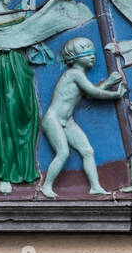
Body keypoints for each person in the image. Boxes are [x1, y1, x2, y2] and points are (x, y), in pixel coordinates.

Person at [0, 0, 91, 195]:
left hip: (16, 73)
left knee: (12, 121)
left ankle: (5, 175)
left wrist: (54, 2)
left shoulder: (23, 16)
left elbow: (44, 21)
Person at [40, 37, 127, 199]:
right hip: (53, 120)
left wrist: (108, 83)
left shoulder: (79, 76)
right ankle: (46, 186)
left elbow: (88, 94)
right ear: (74, 58)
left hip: (67, 121)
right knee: (63, 153)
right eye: (87, 54)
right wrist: (116, 94)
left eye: (93, 54)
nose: (92, 57)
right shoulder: (74, 73)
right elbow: (93, 93)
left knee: (87, 150)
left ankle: (95, 186)